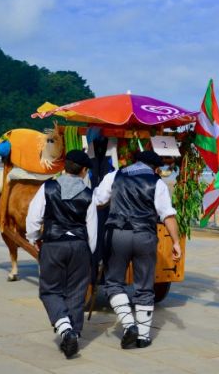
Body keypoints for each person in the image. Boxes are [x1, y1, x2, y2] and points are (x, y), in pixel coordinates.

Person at [94, 150, 181, 349]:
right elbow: (167, 215)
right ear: (155, 167)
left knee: (113, 283)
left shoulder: (114, 175)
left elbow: (98, 200)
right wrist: (175, 242)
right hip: (145, 236)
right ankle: (143, 336)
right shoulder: (157, 182)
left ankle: (128, 324)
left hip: (117, 235)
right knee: (144, 286)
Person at [26, 150, 97, 359]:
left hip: (53, 244)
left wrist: (33, 238)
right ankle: (73, 333)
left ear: (65, 167)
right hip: (79, 246)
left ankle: (65, 329)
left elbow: (33, 217)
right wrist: (89, 253)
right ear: (84, 171)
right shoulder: (88, 194)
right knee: (76, 291)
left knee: (49, 290)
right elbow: (92, 229)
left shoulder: (47, 187)